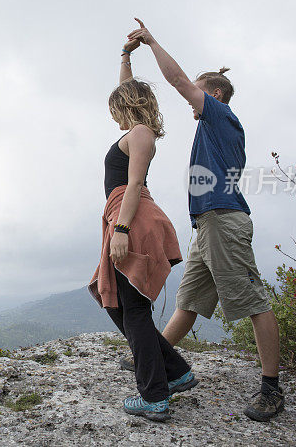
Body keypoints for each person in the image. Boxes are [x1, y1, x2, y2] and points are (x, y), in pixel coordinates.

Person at [126, 19, 284, 422]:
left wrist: (152, 42)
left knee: (252, 301)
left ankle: (272, 388)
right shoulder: (213, 128)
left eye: (199, 92)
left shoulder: (221, 117)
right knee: (190, 301)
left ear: (214, 95)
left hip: (225, 221)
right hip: (208, 224)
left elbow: (178, 80)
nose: (190, 99)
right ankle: (158, 361)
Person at [87, 32, 198, 422]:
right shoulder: (137, 131)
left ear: (127, 107)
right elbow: (126, 89)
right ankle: (177, 373)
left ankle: (154, 396)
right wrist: (125, 56)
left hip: (131, 219)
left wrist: (120, 231)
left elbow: (134, 184)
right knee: (116, 301)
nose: (113, 115)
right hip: (126, 216)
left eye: (116, 108)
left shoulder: (139, 133)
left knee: (132, 309)